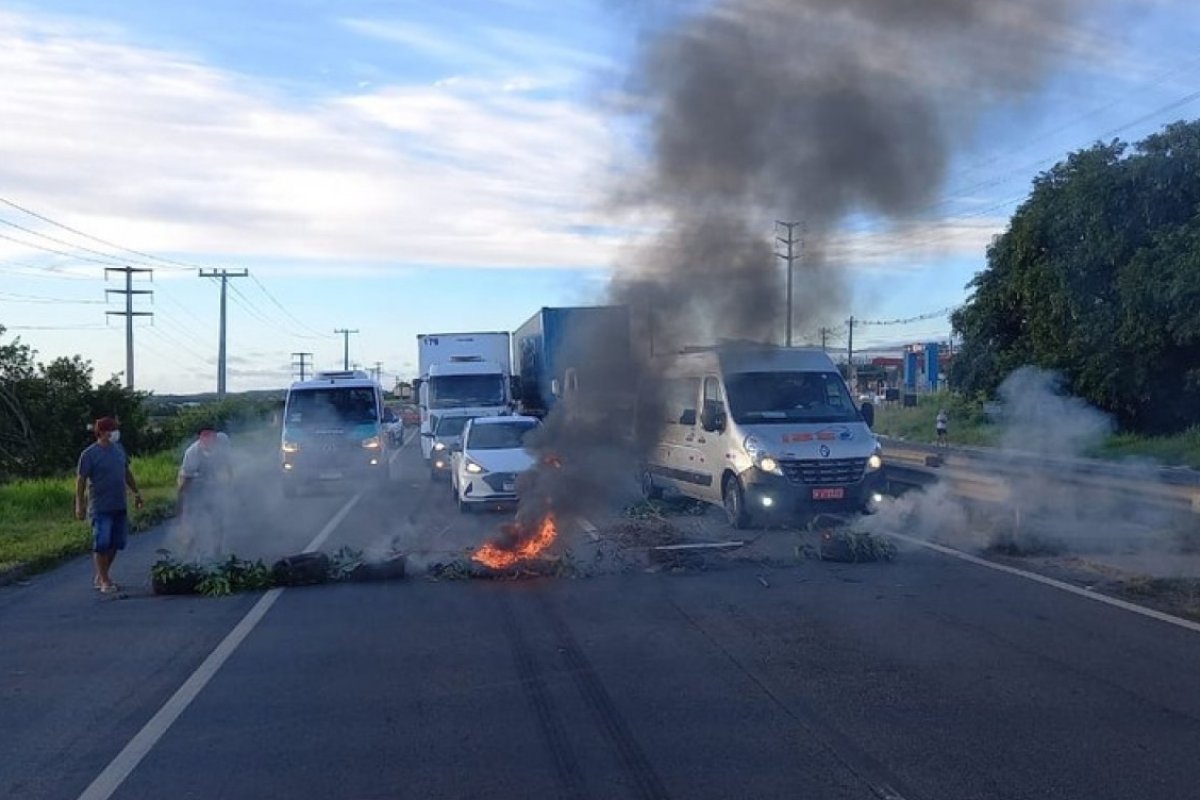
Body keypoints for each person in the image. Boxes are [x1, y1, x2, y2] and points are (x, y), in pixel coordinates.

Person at [76, 416, 144, 593]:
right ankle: (105, 580)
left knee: (117, 542)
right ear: (102, 433)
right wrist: (79, 504)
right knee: (102, 542)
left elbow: (126, 472)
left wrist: (136, 493)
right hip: (100, 506)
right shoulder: (89, 454)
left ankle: (102, 574)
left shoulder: (119, 449)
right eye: (112, 430)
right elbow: (81, 480)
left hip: (119, 503)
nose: (115, 433)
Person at [177, 424, 231, 558]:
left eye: (211, 436)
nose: (209, 440)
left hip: (212, 484)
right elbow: (185, 481)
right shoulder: (192, 453)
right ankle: (187, 556)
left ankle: (217, 552)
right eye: (205, 437)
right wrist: (181, 503)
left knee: (217, 519)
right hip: (193, 486)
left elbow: (227, 464)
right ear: (200, 438)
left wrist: (229, 483)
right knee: (192, 523)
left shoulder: (222, 443)